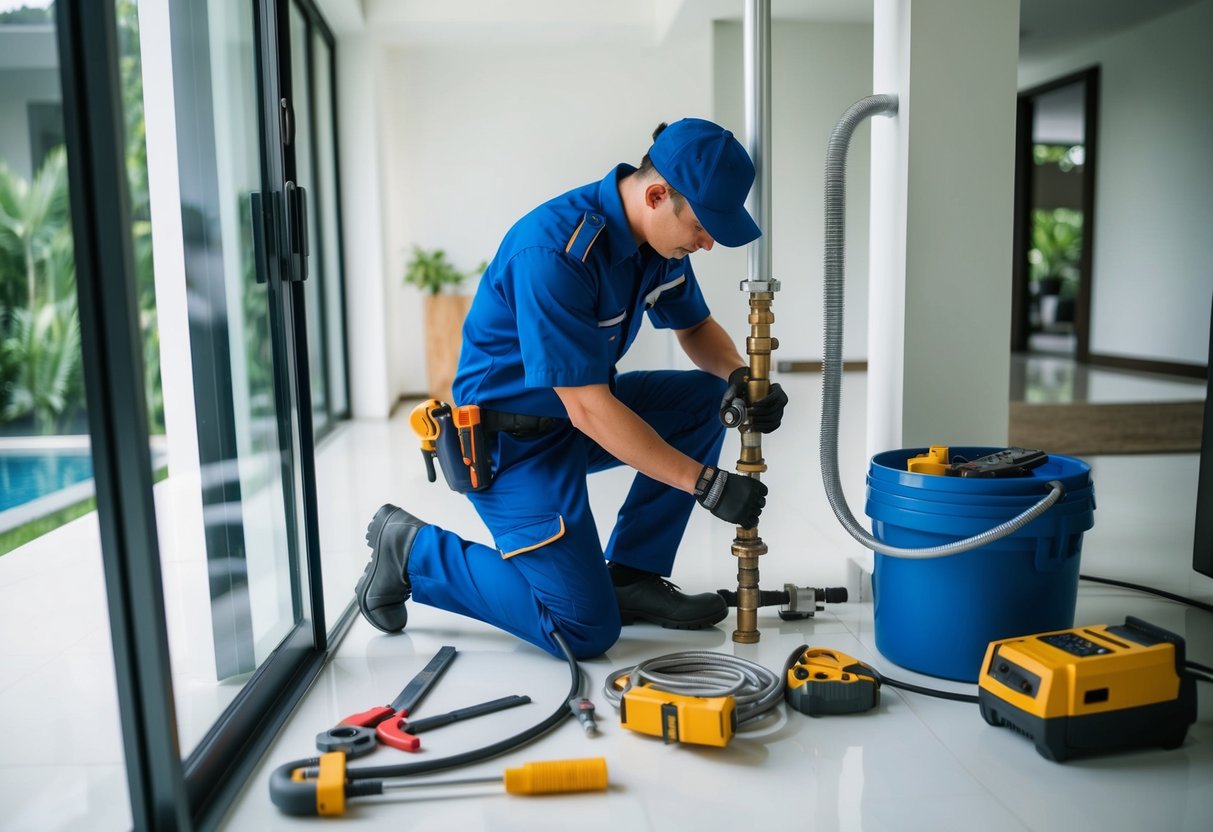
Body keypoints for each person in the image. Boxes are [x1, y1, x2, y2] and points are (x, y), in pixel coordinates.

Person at [356, 118, 788, 659]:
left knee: (706, 402)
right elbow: (587, 406)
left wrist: (739, 378)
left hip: (574, 422)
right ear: (657, 195)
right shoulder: (555, 254)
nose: (706, 243)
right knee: (583, 629)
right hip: (510, 449)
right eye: (703, 227)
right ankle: (413, 553)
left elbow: (695, 327)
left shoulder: (658, 245)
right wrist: (706, 484)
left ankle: (633, 575)